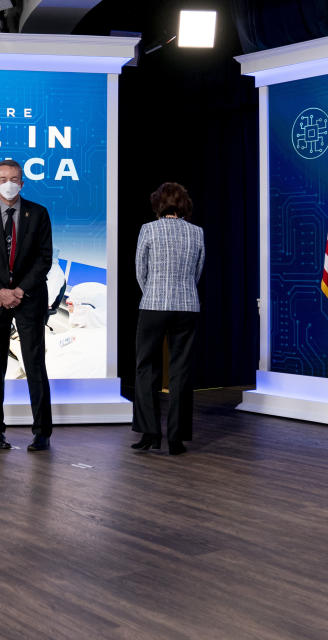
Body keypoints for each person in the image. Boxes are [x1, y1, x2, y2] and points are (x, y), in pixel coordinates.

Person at [0, 159, 54, 451]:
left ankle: (42, 431)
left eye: (14, 178)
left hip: (29, 299)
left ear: (22, 182)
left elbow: (44, 259)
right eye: (3, 178)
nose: (9, 183)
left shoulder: (39, 214)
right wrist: (1, 292)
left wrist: (19, 290)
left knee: (34, 364)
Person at [131, 182, 205, 455]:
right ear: (183, 204)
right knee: (181, 371)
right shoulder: (197, 233)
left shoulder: (148, 229)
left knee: (146, 368)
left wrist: (153, 291)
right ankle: (176, 438)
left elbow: (141, 270)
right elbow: (198, 271)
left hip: (153, 304)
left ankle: (150, 433)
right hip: (187, 306)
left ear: (158, 204)